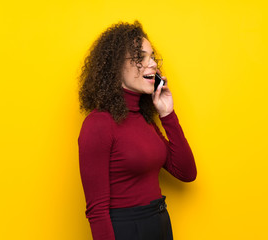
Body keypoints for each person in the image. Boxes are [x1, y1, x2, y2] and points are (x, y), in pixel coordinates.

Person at [77, 20, 197, 240]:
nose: (152, 64)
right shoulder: (98, 124)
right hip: (128, 231)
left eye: (152, 57)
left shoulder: (145, 119)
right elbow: (97, 211)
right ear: (115, 66)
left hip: (160, 225)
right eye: (140, 57)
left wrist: (167, 114)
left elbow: (187, 173)